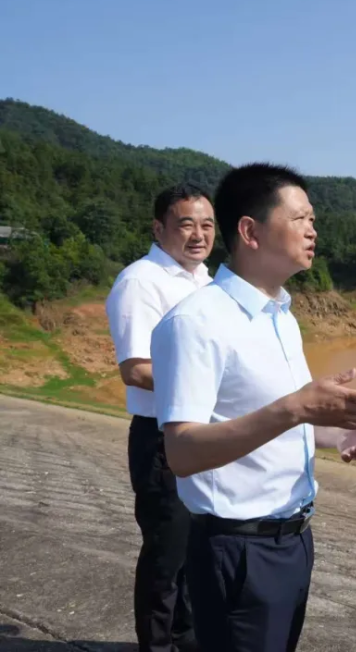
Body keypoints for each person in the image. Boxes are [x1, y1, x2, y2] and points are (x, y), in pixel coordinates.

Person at [149, 162, 356, 652]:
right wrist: (297, 408)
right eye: (299, 218)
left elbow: (276, 419)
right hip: (237, 548)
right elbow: (182, 452)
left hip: (294, 536)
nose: (312, 230)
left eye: (313, 219)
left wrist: (337, 431)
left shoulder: (280, 314)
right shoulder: (197, 322)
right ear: (250, 231)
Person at [104, 182, 217, 652]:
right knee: (166, 558)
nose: (198, 234)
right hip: (161, 439)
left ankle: (186, 642)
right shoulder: (141, 281)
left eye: (207, 224)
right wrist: (211, 387)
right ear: (158, 228)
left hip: (205, 436)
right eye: (186, 224)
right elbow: (136, 369)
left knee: (196, 552)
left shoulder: (206, 282)